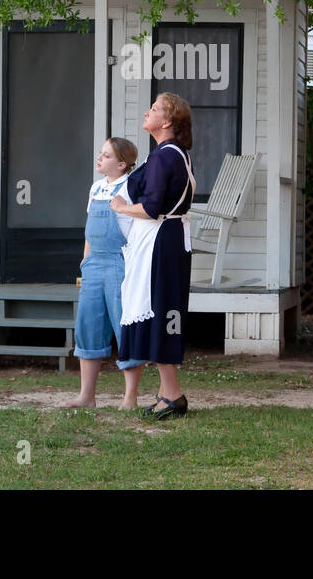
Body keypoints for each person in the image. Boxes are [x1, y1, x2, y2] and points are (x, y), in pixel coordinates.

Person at [111, 92, 195, 420]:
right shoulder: (173, 154)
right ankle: (165, 391)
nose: (148, 112)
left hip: (161, 239)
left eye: (155, 109)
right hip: (170, 238)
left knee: (159, 309)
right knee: (163, 308)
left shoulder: (164, 157)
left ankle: (172, 394)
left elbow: (152, 207)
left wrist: (120, 207)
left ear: (168, 121)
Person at [59, 137, 145, 409]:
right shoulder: (96, 188)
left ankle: (129, 398)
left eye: (106, 155)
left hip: (119, 263)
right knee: (88, 325)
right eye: (100, 153)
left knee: (124, 325)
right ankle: (87, 396)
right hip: (94, 264)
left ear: (121, 164)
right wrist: (85, 263)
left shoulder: (130, 187)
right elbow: (89, 230)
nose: (99, 158)